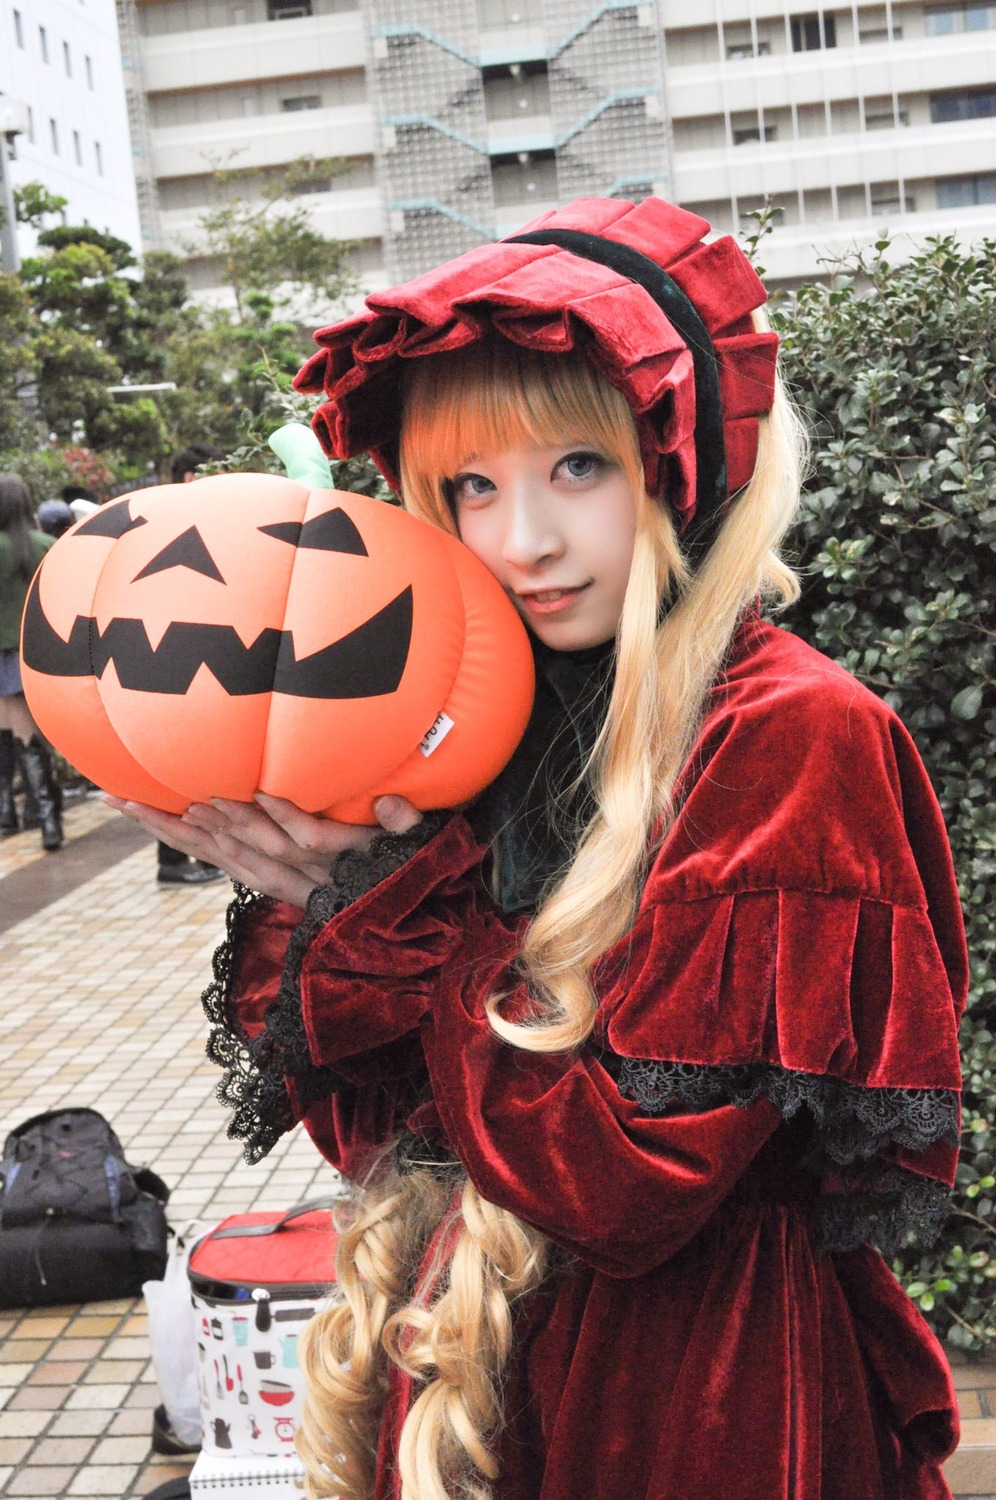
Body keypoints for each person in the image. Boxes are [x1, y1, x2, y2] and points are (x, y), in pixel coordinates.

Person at [110, 198, 966, 1500]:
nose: (522, 540)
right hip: (459, 1364)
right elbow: (381, 1131)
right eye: (473, 484)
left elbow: (624, 1186)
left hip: (690, 1391)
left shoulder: (791, 734)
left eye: (578, 466)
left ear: (682, 463)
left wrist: (404, 919)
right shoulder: (470, 712)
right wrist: (335, 889)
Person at [153, 443, 227, 886]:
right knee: (177, 772)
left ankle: (202, 853)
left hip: (205, 657)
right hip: (173, 659)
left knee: (200, 769)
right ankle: (175, 859)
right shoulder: (173, 524)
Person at [0, 473, 63, 849]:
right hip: (40, 650)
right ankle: (47, 816)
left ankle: (12, 811)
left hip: (3, 654)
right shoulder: (45, 544)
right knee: (29, 733)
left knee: (9, 731)